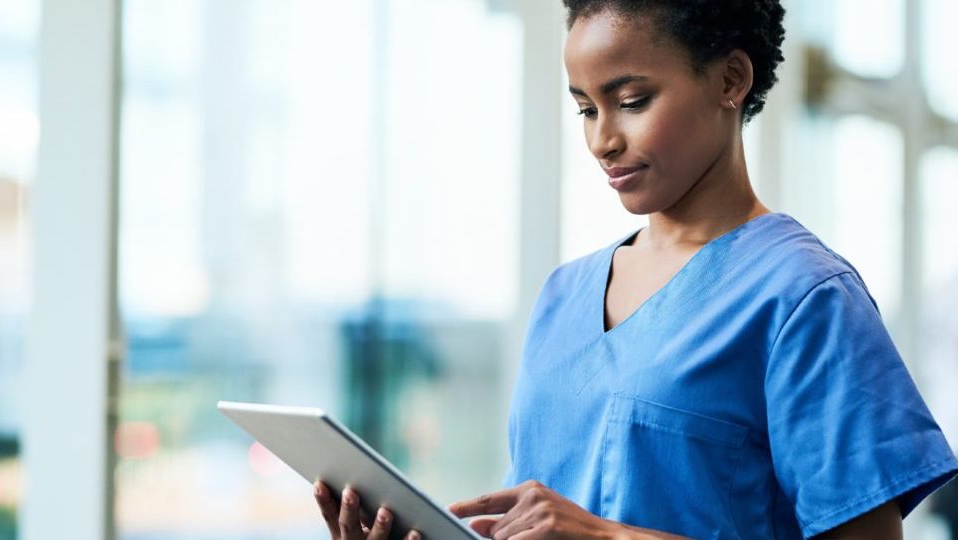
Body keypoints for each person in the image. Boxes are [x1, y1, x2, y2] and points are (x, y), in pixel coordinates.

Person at [313, 0, 958, 538]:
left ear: (731, 80)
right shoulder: (563, 296)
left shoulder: (805, 299)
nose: (602, 139)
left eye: (631, 99)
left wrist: (609, 535)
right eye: (587, 109)